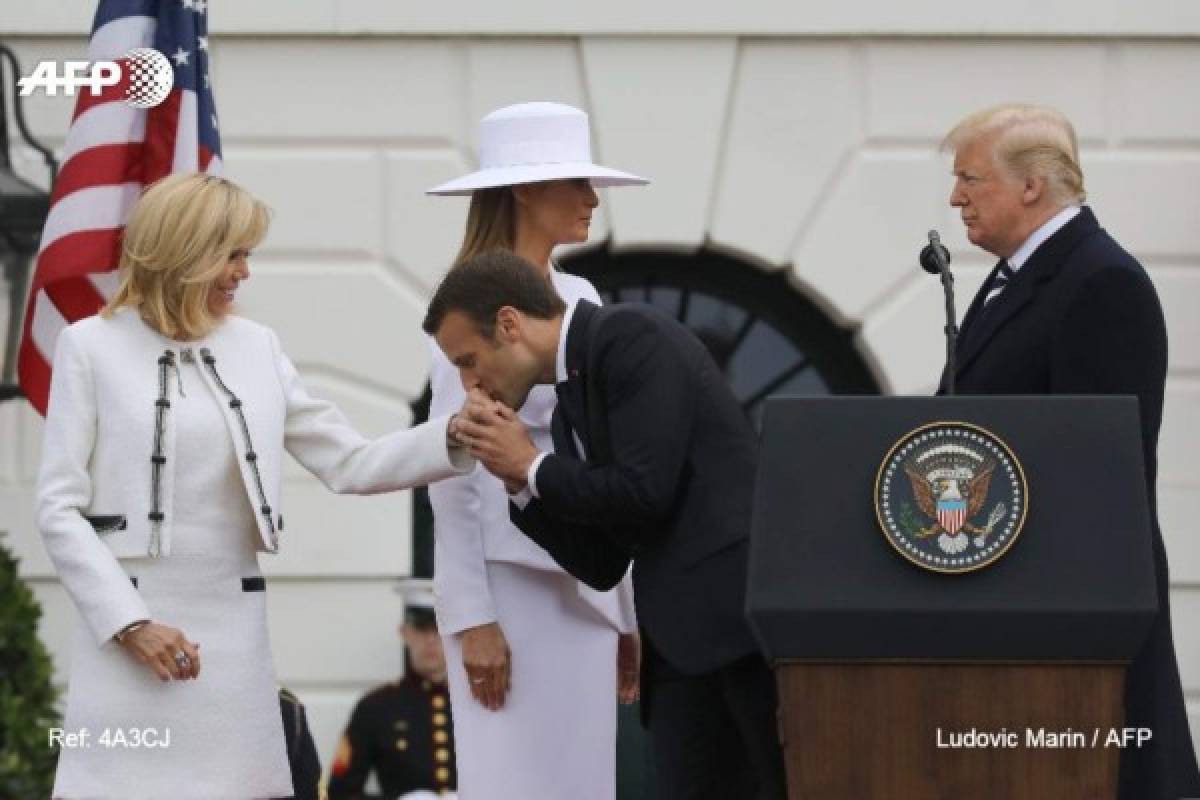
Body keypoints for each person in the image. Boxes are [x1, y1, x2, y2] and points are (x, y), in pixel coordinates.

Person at [36, 173, 474, 799]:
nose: (245, 272)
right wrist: (132, 624)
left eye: (248, 254)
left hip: (232, 638)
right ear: (185, 252)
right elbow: (57, 509)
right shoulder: (89, 348)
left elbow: (348, 461)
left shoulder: (257, 347)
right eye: (233, 254)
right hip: (127, 634)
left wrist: (451, 435)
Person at [423, 251, 788, 800]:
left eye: (470, 361)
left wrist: (532, 465)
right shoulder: (572, 392)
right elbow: (601, 561)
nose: (473, 385)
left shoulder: (631, 337)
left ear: (508, 323)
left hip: (740, 635)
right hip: (682, 649)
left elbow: (644, 493)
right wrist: (520, 487)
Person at [939, 103, 1200, 800]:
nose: (955, 197)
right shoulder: (1016, 279)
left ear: (1031, 185)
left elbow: (1096, 471)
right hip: (1013, 606)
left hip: (1072, 619)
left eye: (970, 178)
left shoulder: (1099, 281)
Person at [422, 101, 644, 799]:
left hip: (585, 587)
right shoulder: (468, 298)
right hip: (508, 584)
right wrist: (471, 617)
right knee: (509, 780)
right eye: (574, 182)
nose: (590, 200)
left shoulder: (581, 294)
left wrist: (625, 609)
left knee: (583, 780)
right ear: (523, 188)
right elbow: (450, 473)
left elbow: (607, 451)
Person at [328, 579, 457, 799]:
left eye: (439, 629)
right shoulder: (376, 706)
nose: (431, 640)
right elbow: (340, 792)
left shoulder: (481, 701)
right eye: (421, 628)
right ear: (404, 632)